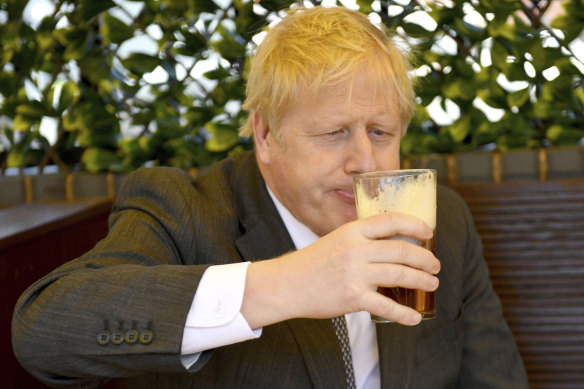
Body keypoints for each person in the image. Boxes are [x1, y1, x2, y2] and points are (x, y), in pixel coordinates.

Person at [12, 5, 528, 389]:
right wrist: (286, 283)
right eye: (333, 133)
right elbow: (45, 333)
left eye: (380, 132)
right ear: (265, 135)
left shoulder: (438, 220)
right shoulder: (184, 210)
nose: (365, 163)